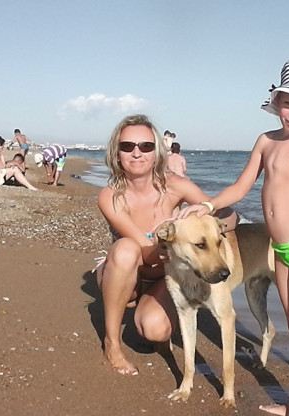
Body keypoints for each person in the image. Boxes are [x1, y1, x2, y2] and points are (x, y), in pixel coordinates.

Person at [178, 55, 289, 416]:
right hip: (281, 247)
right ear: (277, 101)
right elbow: (240, 187)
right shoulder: (266, 141)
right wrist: (207, 205)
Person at [95, 114, 237, 376]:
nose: (137, 153)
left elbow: (229, 215)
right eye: (127, 146)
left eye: (146, 146)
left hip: (164, 275)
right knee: (126, 249)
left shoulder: (175, 185)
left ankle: (156, 315)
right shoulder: (109, 196)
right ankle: (111, 344)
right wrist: (174, 241)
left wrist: (208, 215)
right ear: (116, 153)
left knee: (154, 330)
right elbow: (147, 252)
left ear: (157, 152)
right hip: (128, 271)